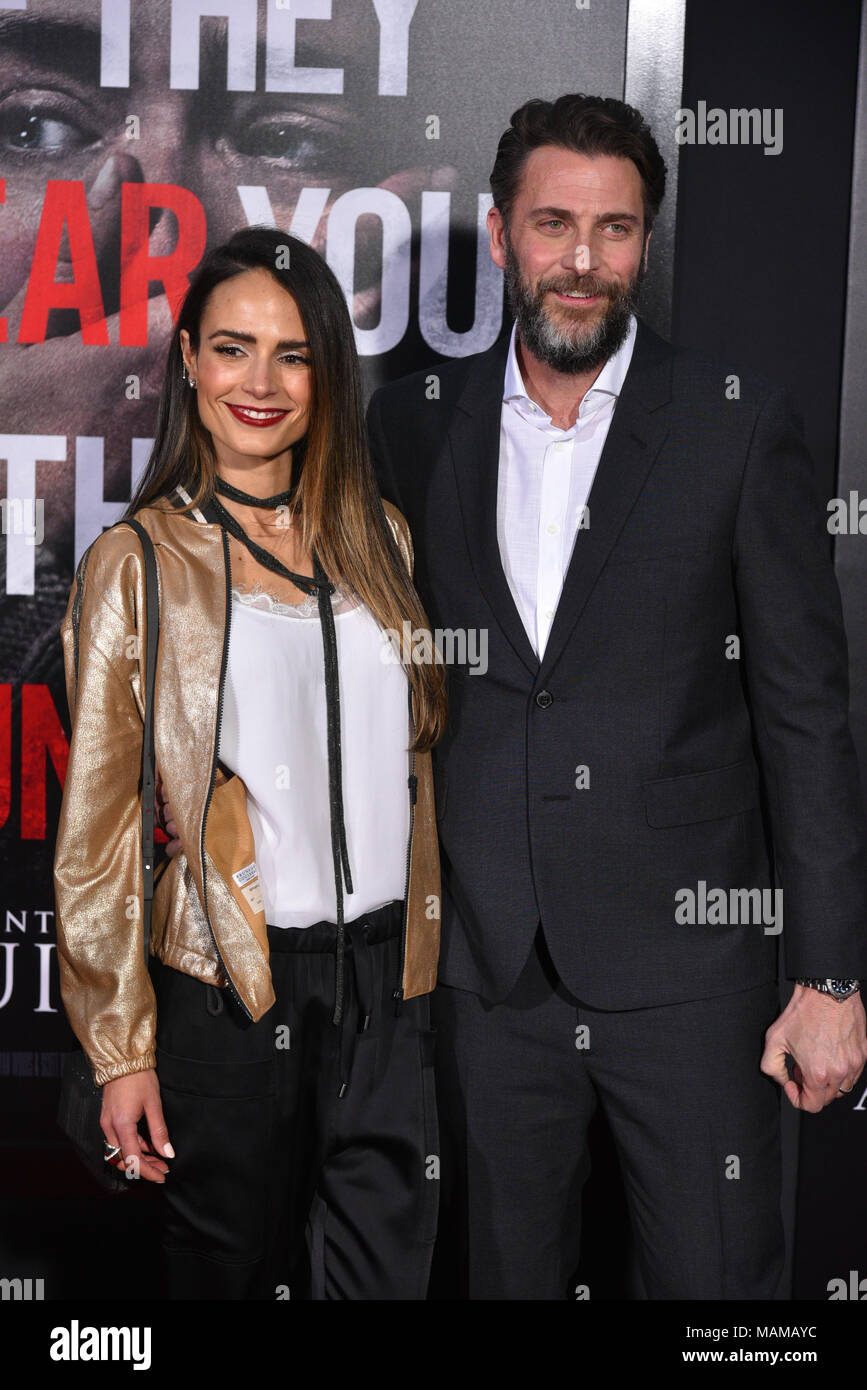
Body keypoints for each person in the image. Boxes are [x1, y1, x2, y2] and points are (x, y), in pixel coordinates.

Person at [363, 94, 867, 1300]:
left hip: (693, 974)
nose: (583, 261)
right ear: (499, 237)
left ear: (647, 243)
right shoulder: (416, 426)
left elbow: (806, 712)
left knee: (721, 1294)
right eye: (552, 224)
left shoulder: (732, 428)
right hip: (492, 973)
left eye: (616, 229)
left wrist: (832, 975)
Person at [53, 226, 447, 1300]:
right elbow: (96, 839)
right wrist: (120, 1046)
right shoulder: (137, 564)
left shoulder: (386, 543)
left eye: (293, 353)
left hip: (390, 996)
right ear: (187, 359)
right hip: (234, 993)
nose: (260, 383)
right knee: (225, 1279)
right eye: (231, 349)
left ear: (328, 366)